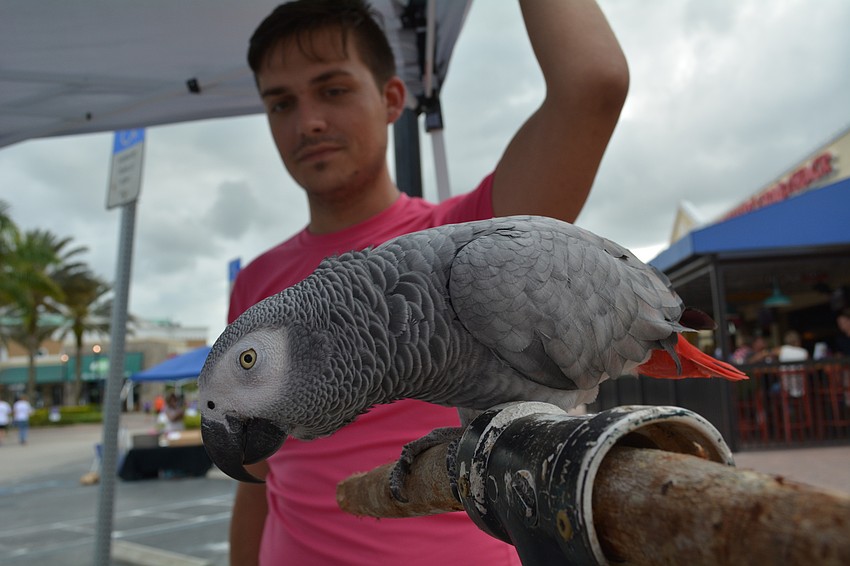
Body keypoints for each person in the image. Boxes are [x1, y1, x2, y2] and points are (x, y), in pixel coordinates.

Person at [228, 1, 628, 564]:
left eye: (333, 89)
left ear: (393, 99)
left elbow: (593, 86)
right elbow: (258, 486)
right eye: (281, 103)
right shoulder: (257, 286)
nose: (307, 121)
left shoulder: (470, 243)